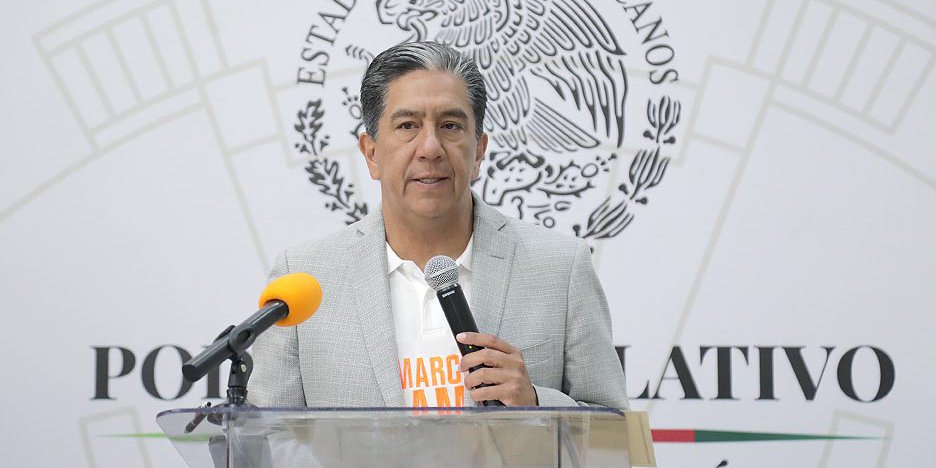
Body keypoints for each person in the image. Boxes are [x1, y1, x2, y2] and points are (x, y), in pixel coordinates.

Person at [248, 41, 627, 409]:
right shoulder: (304, 279)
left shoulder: (560, 267)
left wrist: (536, 401)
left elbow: (615, 434)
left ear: (478, 151)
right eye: (407, 125)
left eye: (450, 126)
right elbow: (266, 437)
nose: (430, 148)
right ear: (371, 153)